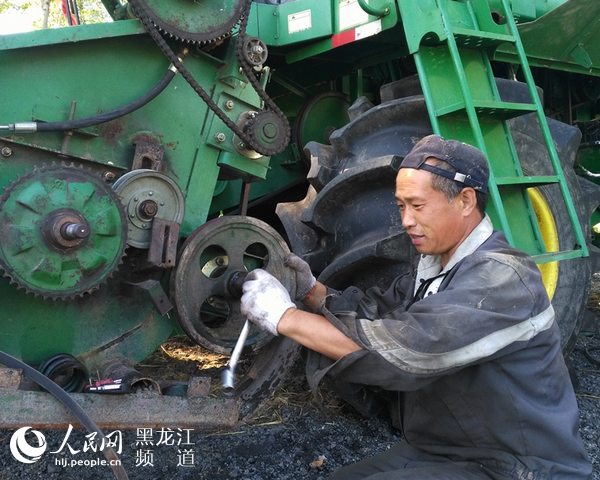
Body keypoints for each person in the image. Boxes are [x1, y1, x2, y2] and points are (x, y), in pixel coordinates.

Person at [240, 134, 592, 479]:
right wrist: (312, 292)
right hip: (446, 451)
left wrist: (282, 316)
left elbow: (405, 349)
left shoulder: (502, 278)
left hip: (522, 467)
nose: (406, 219)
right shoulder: (433, 272)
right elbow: (375, 313)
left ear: (466, 201)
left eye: (417, 206)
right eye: (400, 206)